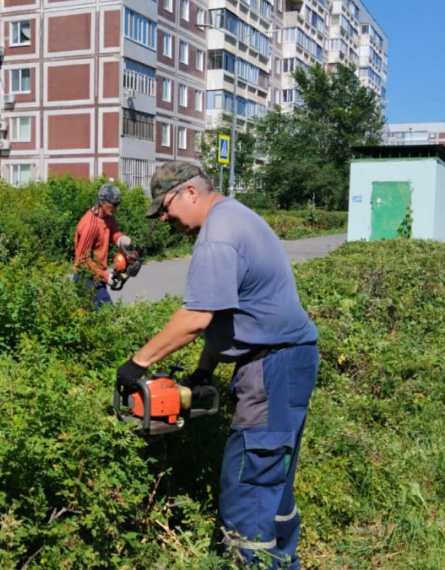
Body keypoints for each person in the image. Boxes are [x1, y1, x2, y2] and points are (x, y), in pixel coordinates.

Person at [115, 162, 319, 569]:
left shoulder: (217, 237)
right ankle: (284, 561)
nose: (167, 219)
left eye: (167, 207)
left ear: (190, 192)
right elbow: (228, 317)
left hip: (272, 367)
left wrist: (137, 364)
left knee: (249, 485)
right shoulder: (235, 216)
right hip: (290, 361)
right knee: (274, 484)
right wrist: (205, 371)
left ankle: (257, 563)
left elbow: (196, 317)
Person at [73, 183, 132, 310]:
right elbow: (82, 260)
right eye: (114, 204)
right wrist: (106, 277)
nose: (117, 208)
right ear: (102, 201)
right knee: (108, 315)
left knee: (94, 321)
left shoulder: (108, 217)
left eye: (118, 204)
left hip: (97, 276)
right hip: (86, 278)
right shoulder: (90, 225)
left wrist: (121, 240)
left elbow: (114, 233)